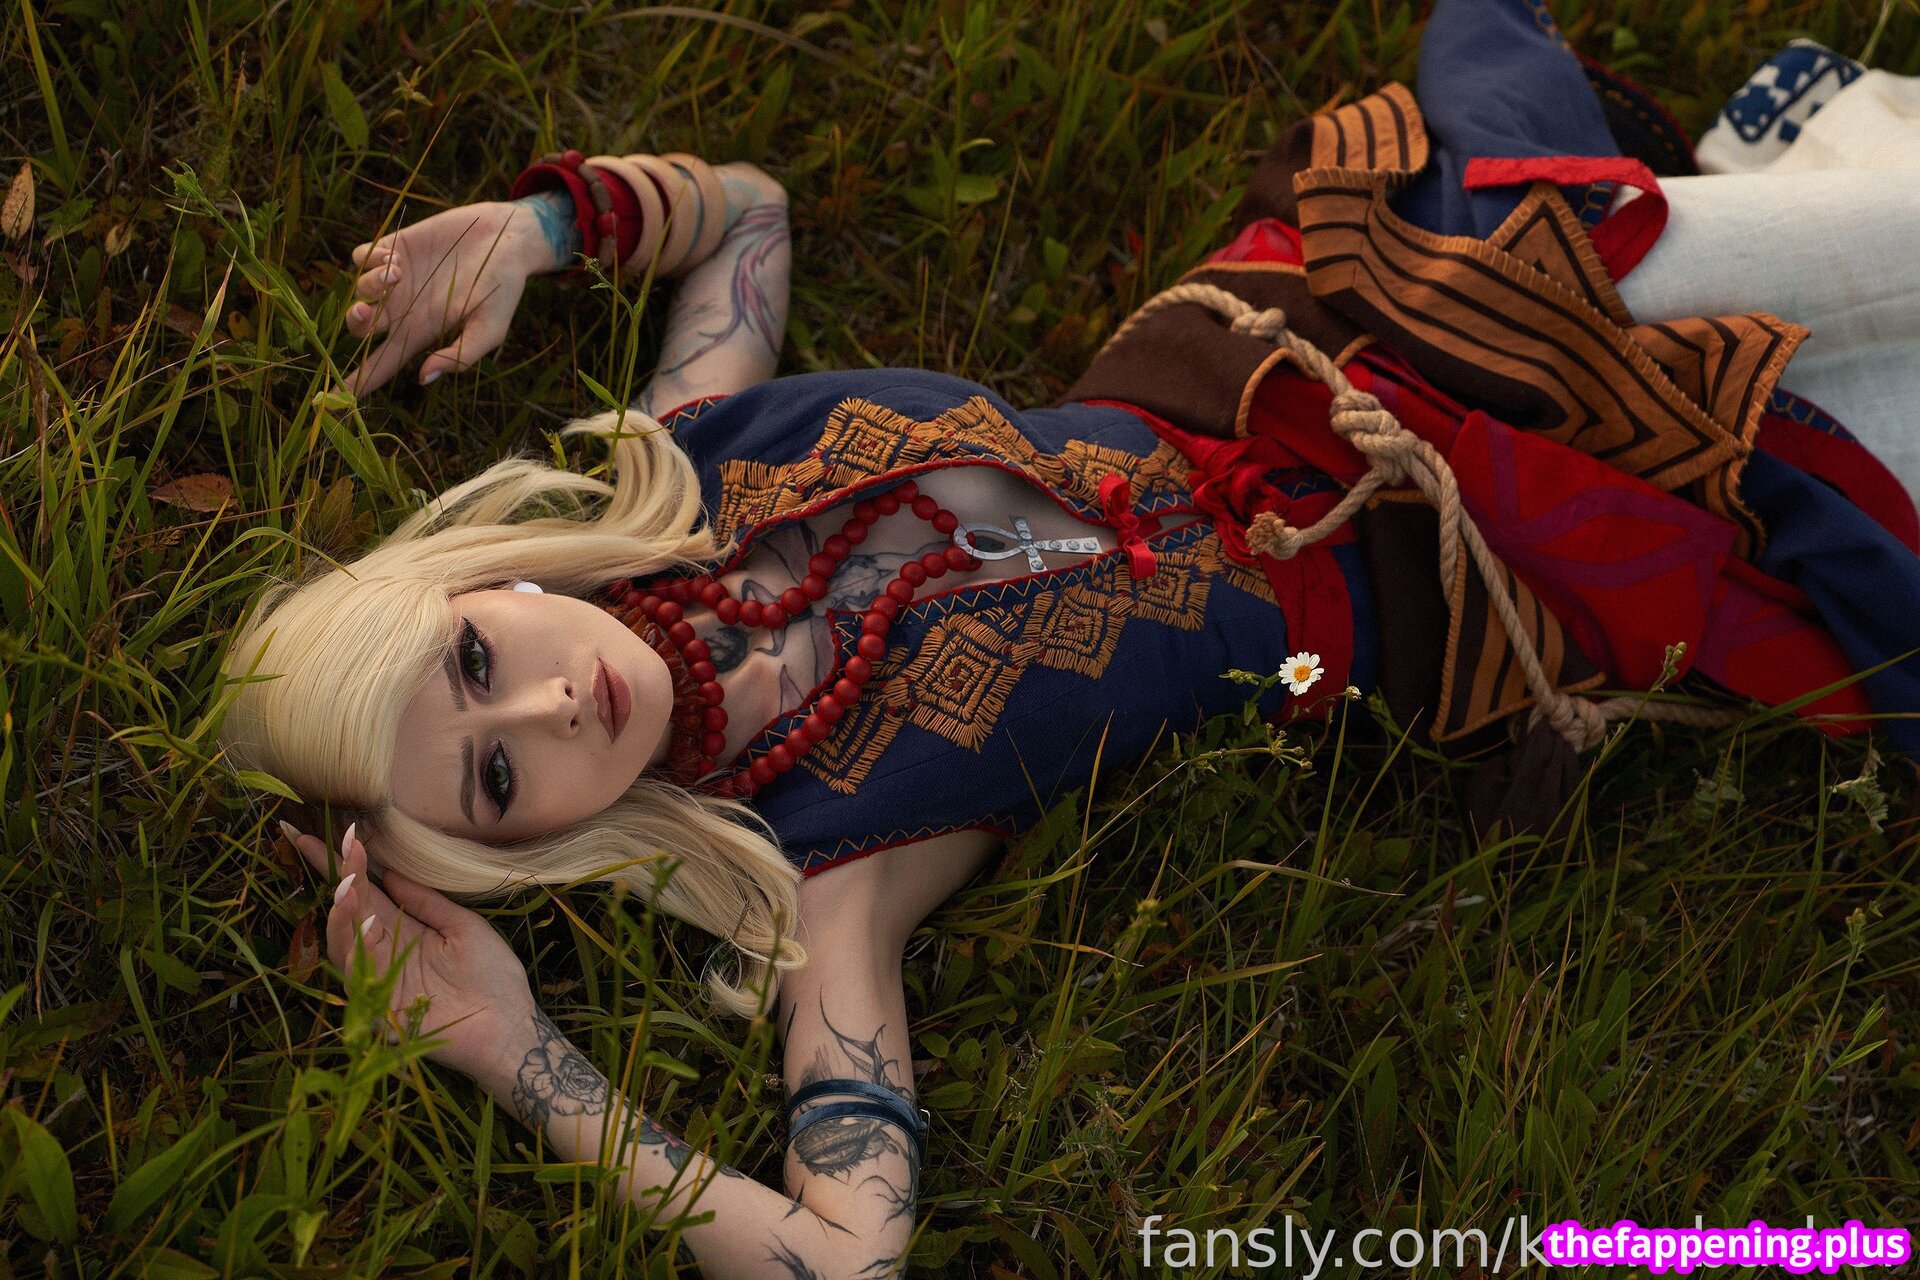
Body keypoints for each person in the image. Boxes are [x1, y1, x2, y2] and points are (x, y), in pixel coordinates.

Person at [218, 3, 1920, 1275]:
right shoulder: (831, 865)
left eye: (473, 662)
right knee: (1682, 350)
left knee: (1539, 196)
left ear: (486, 585)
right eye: (497, 777)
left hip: (1268, 335)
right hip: (1395, 574)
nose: (547, 705)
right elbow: (848, 1253)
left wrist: (543, 228)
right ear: (528, 847)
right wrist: (528, 1064)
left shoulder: (692, 458)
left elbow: (747, 213)